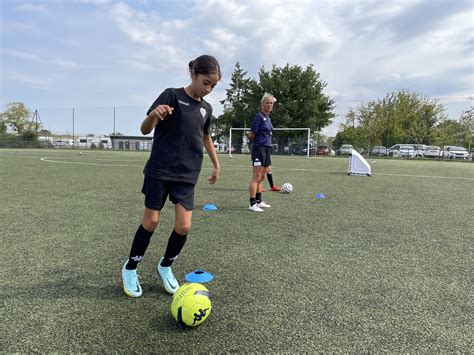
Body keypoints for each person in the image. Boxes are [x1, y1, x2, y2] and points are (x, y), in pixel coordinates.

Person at [121, 55, 221, 297]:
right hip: (159, 170)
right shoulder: (171, 95)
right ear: (192, 73)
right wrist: (155, 114)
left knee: (184, 226)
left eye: (213, 85)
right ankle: (130, 267)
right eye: (205, 82)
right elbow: (144, 129)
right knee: (151, 221)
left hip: (187, 174)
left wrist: (216, 165)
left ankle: (165, 266)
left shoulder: (206, 109)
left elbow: (205, 137)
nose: (207, 89)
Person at [248, 93, 275, 212]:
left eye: (271, 103)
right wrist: (258, 144)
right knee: (256, 177)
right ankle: (252, 203)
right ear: (262, 104)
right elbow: (252, 134)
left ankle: (259, 201)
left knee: (262, 177)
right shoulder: (258, 117)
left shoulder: (268, 119)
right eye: (267, 103)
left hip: (267, 149)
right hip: (259, 149)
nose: (269, 105)